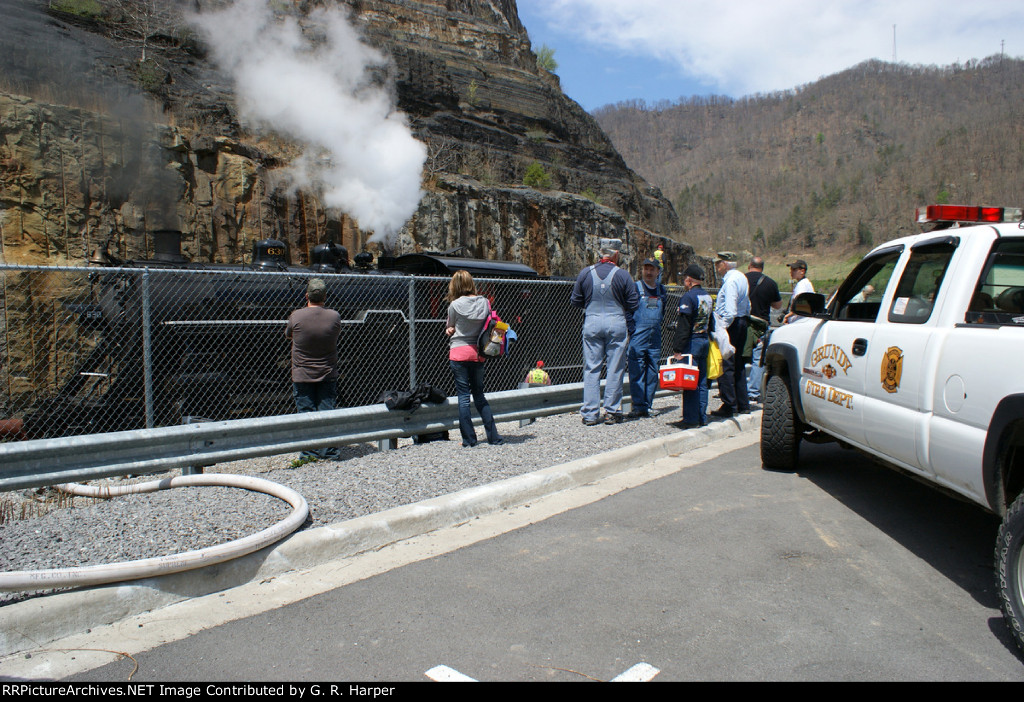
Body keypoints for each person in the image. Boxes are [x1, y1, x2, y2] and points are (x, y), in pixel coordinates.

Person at [570, 237, 640, 425]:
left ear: (601, 253)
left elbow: (575, 300)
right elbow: (634, 304)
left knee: (591, 368)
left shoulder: (585, 273)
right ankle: (611, 411)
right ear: (616, 254)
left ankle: (590, 413)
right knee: (614, 367)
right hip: (616, 322)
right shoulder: (623, 275)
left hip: (592, 321)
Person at [286, 278, 342, 465]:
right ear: (325, 296)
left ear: (306, 295)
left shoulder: (296, 316)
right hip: (327, 373)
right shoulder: (334, 316)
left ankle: (309, 454)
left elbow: (289, 334)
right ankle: (330, 453)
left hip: (302, 374)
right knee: (327, 412)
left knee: (306, 413)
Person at [445, 270, 503, 447]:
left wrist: (450, 330)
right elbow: (487, 324)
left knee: (463, 397)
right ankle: (494, 437)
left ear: (454, 285)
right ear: (471, 283)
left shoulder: (454, 305)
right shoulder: (485, 302)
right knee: (479, 395)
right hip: (478, 353)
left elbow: (451, 327)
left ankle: (469, 440)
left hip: (458, 353)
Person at [672, 264, 714, 427]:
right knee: (702, 381)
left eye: (685, 278)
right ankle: (702, 416)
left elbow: (684, 324)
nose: (684, 281)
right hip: (704, 340)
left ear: (689, 280)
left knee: (690, 381)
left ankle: (690, 419)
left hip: (692, 342)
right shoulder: (708, 297)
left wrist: (678, 349)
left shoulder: (688, 298)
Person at [710, 252, 751, 418]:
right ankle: (743, 403)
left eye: (718, 264)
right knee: (739, 364)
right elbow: (747, 305)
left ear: (724, 264)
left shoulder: (731, 281)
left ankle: (729, 404)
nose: (716, 267)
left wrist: (722, 328)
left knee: (726, 364)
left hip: (730, 324)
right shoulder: (741, 277)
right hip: (741, 322)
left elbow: (730, 310)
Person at [627, 258, 668, 418]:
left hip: (655, 335)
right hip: (638, 335)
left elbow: (662, 312)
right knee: (637, 369)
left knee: (652, 370)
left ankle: (647, 404)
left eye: (652, 270)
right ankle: (638, 406)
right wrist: (631, 331)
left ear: (658, 272)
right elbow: (628, 311)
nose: (648, 272)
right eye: (646, 269)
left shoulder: (662, 290)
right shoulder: (635, 288)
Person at [745, 256, 783, 404]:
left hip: (744, 322)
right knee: (758, 359)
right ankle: (753, 393)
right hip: (761, 324)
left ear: (749, 266)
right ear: (762, 267)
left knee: (740, 357)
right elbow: (778, 305)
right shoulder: (770, 283)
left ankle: (739, 390)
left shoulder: (741, 280)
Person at [784, 259, 815, 323]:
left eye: (794, 270)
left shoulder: (802, 285)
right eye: (791, 269)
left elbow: (799, 306)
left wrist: (787, 316)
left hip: (799, 322)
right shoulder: (805, 283)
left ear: (802, 271)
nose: (791, 272)